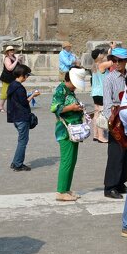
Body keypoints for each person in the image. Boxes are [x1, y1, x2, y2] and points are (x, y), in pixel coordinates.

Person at [52, 68, 86, 200]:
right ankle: (61, 191)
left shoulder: (69, 91)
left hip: (73, 129)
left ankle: (66, 189)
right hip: (65, 130)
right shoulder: (61, 90)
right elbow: (55, 108)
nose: (75, 88)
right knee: (67, 161)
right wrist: (72, 108)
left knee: (72, 160)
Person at [102, 48, 127, 199]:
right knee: (115, 153)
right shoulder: (109, 78)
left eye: (120, 60)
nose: (117, 63)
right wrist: (111, 122)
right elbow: (106, 102)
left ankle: (120, 181)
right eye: (115, 60)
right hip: (116, 117)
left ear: (126, 61)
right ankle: (110, 186)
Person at [7, 63, 40, 172]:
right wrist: (32, 95)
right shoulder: (20, 88)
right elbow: (24, 103)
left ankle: (15, 162)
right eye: (27, 75)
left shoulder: (11, 85)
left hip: (15, 117)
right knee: (23, 141)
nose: (27, 77)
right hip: (21, 117)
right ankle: (18, 164)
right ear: (23, 75)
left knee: (21, 140)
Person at [0, 45, 19, 113]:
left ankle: (14, 106)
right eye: (10, 50)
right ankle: (1, 107)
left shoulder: (14, 57)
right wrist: (16, 61)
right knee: (5, 93)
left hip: (14, 78)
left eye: (12, 50)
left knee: (15, 92)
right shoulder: (7, 58)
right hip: (7, 78)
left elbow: (19, 65)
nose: (11, 51)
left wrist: (19, 60)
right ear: (7, 52)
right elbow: (9, 68)